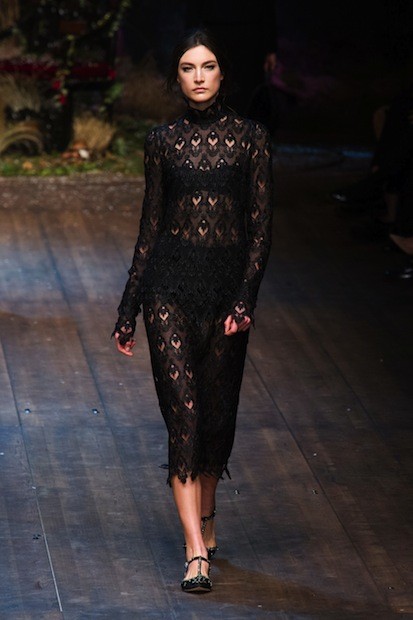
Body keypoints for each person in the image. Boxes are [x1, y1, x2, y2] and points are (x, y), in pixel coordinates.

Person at [112, 29, 274, 593]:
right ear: (176, 78)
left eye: (207, 66)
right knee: (183, 418)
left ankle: (207, 517)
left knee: (215, 420)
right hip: (168, 292)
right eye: (188, 67)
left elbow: (260, 232)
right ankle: (195, 550)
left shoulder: (251, 139)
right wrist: (128, 308)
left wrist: (245, 298)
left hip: (226, 297)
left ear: (223, 74)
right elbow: (150, 228)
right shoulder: (161, 142)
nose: (199, 76)